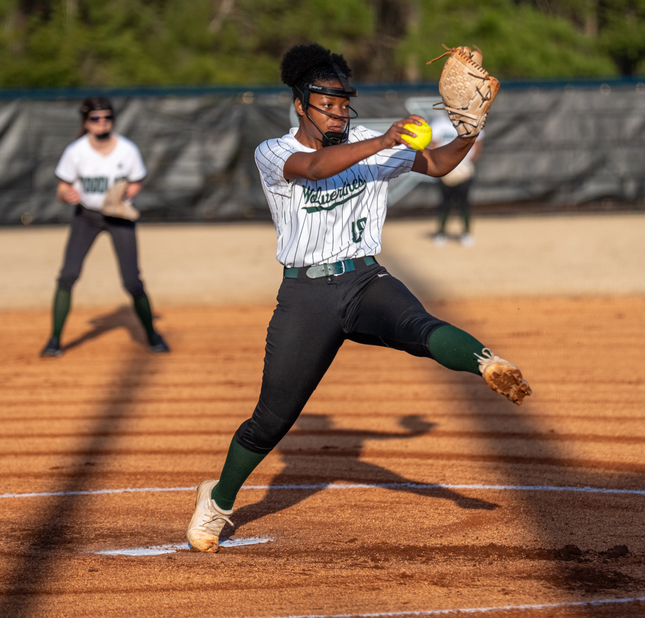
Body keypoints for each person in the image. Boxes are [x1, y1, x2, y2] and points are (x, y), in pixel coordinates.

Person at [185, 43, 531, 552]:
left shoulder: (368, 138)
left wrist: (469, 132)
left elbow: (436, 164)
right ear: (301, 103)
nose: (340, 111)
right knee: (271, 421)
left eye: (345, 102)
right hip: (307, 295)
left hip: (365, 281)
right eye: (328, 102)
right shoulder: (274, 152)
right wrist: (386, 138)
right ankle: (217, 501)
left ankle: (487, 362)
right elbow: (316, 168)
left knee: (417, 323)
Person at [40, 96, 169, 357]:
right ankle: (54, 340)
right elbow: (62, 188)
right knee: (68, 275)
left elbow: (136, 181)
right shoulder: (76, 151)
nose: (102, 123)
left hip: (118, 217)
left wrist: (122, 196)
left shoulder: (127, 150)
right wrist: (67, 196)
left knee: (132, 281)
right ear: (86, 122)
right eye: (95, 118)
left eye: (107, 117)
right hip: (86, 216)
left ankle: (153, 335)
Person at [431, 111, 482, 248]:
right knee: (444, 202)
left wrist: (467, 164)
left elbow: (477, 144)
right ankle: (441, 233)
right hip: (444, 170)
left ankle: (466, 233)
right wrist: (441, 164)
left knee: (464, 202)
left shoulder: (470, 123)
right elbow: (433, 145)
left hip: (464, 170)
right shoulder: (439, 125)